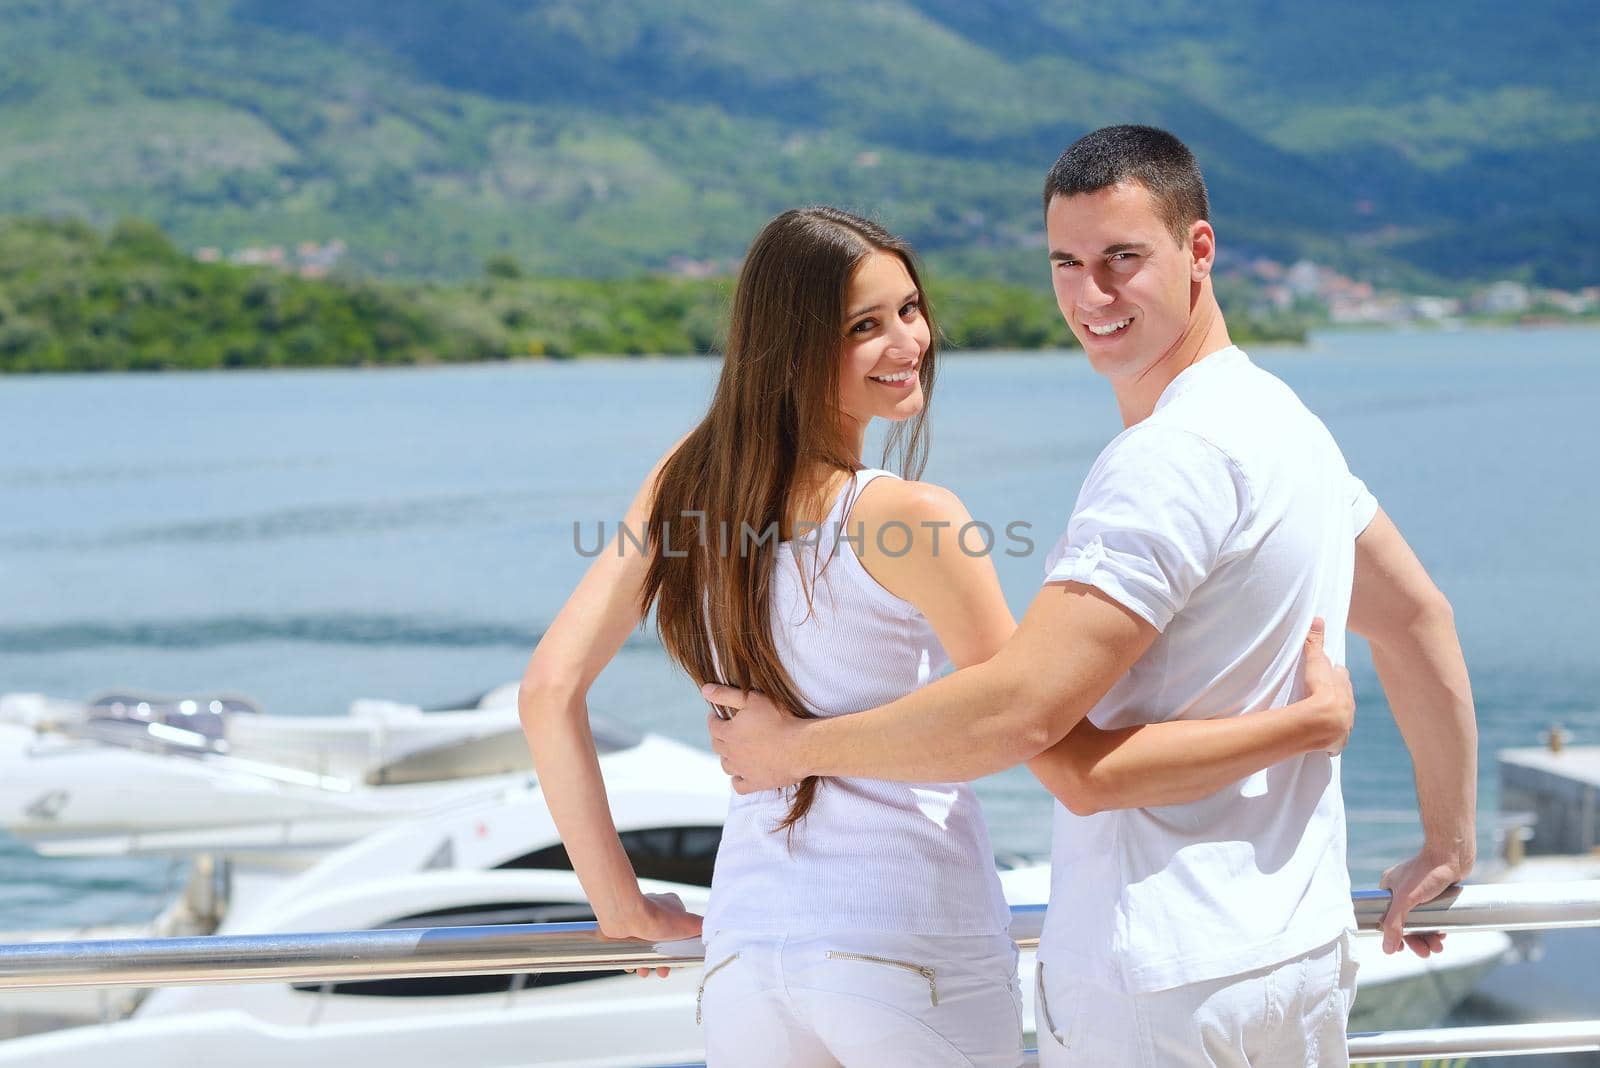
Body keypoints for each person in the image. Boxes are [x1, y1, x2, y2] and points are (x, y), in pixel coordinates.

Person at [707, 129, 1478, 1068]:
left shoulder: (1166, 460)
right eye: (1066, 263)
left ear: (1199, 251)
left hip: (1162, 972)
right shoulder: (1287, 424)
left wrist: (791, 748)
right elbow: (1417, 617)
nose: (1090, 296)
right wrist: (1447, 840)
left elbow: (1044, 736)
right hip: (1297, 953)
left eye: (1123, 260)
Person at [520, 205, 1353, 1067]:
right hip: (905, 944)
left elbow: (547, 690)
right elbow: (1036, 735)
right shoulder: (913, 519)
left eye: (910, 310)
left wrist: (616, 904)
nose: (908, 342)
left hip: (748, 955)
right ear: (793, 345)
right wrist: (1305, 724)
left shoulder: (681, 489)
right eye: (864, 327)